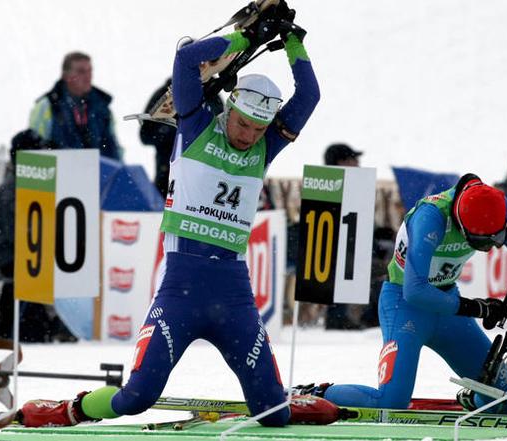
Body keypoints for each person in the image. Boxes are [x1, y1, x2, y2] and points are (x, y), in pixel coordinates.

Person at [19, 3, 336, 428]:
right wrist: (248, 35)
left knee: (274, 415)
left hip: (235, 295)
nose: (249, 137)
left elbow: (310, 96)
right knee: (136, 397)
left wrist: (294, 41)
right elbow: (187, 59)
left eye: (259, 129)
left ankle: (290, 398)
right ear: (231, 109)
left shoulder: (266, 146)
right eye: (243, 125)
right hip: (180, 292)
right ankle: (69, 410)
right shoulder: (196, 124)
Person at [301, 173, 507, 415]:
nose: (492, 246)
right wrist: (479, 308)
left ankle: (476, 396)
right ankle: (314, 393)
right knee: (391, 403)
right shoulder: (430, 217)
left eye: (495, 239)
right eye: (481, 242)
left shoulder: (495, 204)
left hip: (447, 308)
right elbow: (416, 292)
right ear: (461, 225)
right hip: (405, 308)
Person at [0, 129, 75, 343]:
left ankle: (52, 322)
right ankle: (51, 322)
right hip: (13, 256)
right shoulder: (13, 187)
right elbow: (16, 235)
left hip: (26, 252)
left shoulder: (31, 181)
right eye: (39, 151)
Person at [28, 52, 122, 161]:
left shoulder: (102, 108)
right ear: (66, 76)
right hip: (59, 173)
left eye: (90, 71)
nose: (88, 76)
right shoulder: (46, 106)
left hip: (97, 174)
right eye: (81, 72)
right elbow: (34, 152)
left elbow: (113, 150)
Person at [139, 78, 223, 197]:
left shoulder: (212, 95)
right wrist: (175, 130)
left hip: (202, 178)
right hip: (167, 178)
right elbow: (145, 135)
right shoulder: (165, 95)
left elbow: (221, 137)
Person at [322, 143, 366, 330]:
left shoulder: (354, 187)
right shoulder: (327, 187)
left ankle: (343, 315)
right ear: (342, 162)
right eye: (353, 159)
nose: (358, 164)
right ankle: (337, 316)